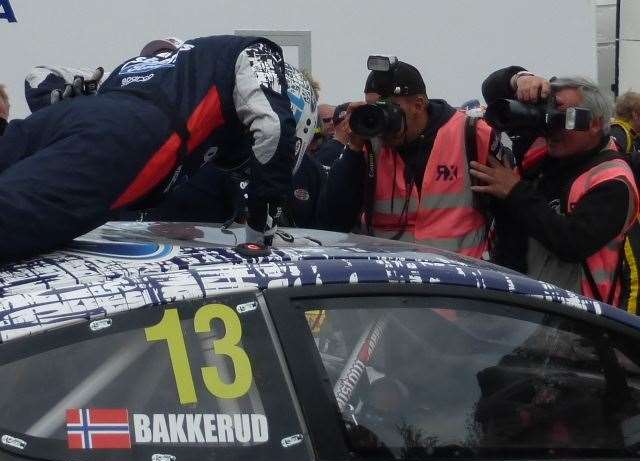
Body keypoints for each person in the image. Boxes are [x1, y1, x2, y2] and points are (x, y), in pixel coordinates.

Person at [0, 35, 296, 261]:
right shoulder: (256, 51)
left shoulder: (135, 67)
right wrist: (261, 231)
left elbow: (38, 77)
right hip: (130, 139)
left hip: (67, 118)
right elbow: (273, 129)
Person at [473, 69, 639, 305]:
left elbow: (571, 242)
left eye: (565, 119)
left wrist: (515, 191)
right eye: (548, 116)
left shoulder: (613, 180)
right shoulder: (544, 150)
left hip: (579, 320)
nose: (552, 129)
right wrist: (522, 80)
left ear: (595, 124)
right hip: (523, 304)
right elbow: (493, 89)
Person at [317, 58, 500, 259]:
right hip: (394, 279)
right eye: (373, 107)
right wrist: (352, 148)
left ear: (418, 104)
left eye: (388, 108)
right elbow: (330, 222)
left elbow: (507, 213)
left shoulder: (471, 134)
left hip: (458, 279)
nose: (381, 117)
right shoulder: (369, 145)